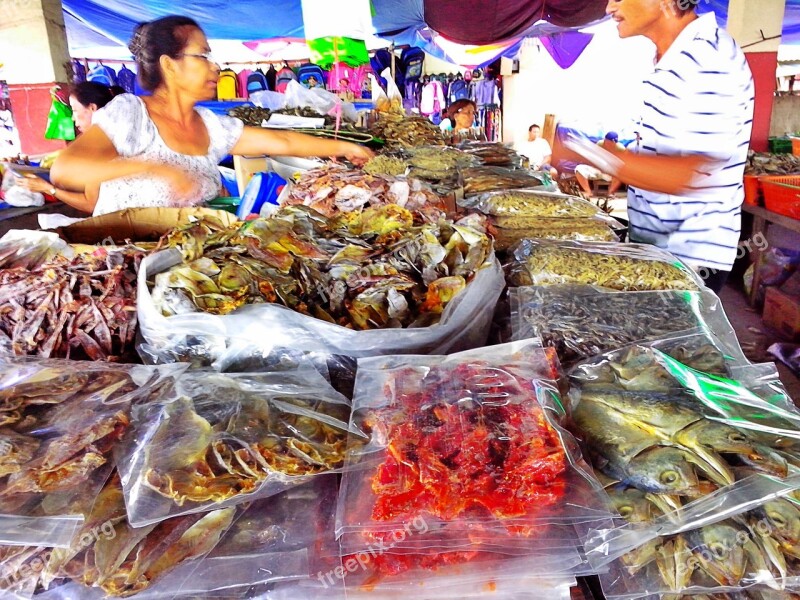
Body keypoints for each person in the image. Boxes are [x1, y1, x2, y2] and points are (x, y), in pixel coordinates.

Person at [50, 16, 373, 217]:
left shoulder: (209, 124)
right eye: (203, 55)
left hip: (189, 267)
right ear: (170, 65)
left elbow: (282, 139)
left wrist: (344, 147)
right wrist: (155, 167)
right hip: (129, 267)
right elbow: (64, 171)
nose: (215, 66)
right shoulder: (131, 113)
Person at [573, 0, 754, 293]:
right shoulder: (672, 57)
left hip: (689, 257)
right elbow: (664, 154)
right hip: (658, 246)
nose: (608, 8)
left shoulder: (707, 57)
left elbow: (692, 174)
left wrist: (584, 151)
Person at [15, 82, 114, 210]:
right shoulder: (97, 139)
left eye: (74, 110)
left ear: (92, 108)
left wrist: (48, 189)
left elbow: (91, 204)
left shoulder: (97, 146)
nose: (73, 118)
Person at [574, 131, 625, 197]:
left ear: (615, 142)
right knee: (579, 169)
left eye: (610, 143)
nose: (607, 144)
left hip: (610, 173)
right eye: (606, 142)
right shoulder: (600, 144)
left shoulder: (621, 149)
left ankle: (610, 193)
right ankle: (588, 192)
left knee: (621, 173)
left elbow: (623, 165)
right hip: (597, 169)